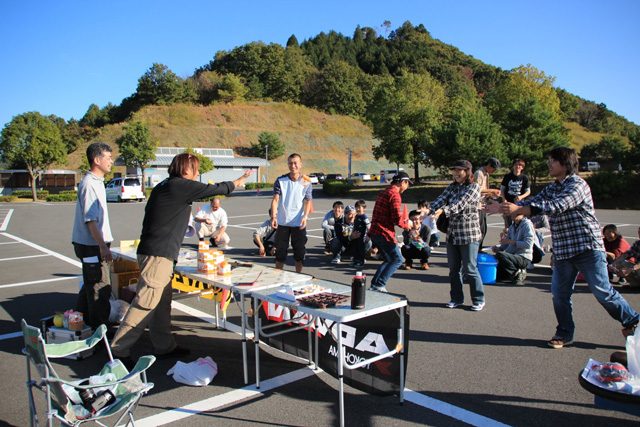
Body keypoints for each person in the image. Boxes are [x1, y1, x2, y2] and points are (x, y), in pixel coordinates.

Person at [486, 146, 639, 348]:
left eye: (552, 160)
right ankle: (564, 333)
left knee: (602, 291)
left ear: (565, 163)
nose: (548, 163)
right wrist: (502, 207)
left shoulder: (578, 185)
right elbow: (534, 201)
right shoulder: (552, 187)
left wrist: (520, 208)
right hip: (564, 251)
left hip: (587, 248)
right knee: (560, 294)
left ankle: (632, 320)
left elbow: (556, 206)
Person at [110, 153, 251, 368]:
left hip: (159, 253)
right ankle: (118, 350)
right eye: (196, 169)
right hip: (158, 255)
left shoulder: (165, 185)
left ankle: (164, 346)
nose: (198, 174)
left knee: (161, 302)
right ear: (186, 170)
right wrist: (238, 181)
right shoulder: (180, 185)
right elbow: (214, 190)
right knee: (145, 303)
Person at [427, 160, 485, 311]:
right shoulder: (452, 186)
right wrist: (429, 210)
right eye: (454, 170)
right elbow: (441, 199)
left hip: (469, 235)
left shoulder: (474, 187)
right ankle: (457, 299)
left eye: (459, 170)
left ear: (467, 172)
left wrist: (443, 211)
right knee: (454, 269)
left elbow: (460, 204)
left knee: (470, 269)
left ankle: (478, 299)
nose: (456, 173)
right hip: (453, 234)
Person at [71, 142, 114, 331]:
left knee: (90, 284)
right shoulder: (89, 184)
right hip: (91, 246)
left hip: (93, 244)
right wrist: (102, 246)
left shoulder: (97, 182)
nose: (111, 161)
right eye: (108, 157)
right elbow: (90, 220)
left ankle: (78, 322)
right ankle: (100, 332)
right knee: (100, 288)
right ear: (97, 160)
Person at [367, 172, 412, 292]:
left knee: (389, 259)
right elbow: (397, 218)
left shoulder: (385, 191)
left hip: (375, 231)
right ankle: (379, 284)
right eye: (407, 183)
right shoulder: (395, 195)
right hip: (384, 233)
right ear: (403, 182)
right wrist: (406, 226)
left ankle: (375, 285)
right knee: (397, 259)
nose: (407, 187)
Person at [271, 153, 312, 273]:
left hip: (298, 223)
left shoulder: (305, 181)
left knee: (299, 252)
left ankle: (298, 275)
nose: (293, 166)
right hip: (283, 222)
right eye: (290, 163)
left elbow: (307, 201)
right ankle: (278, 277)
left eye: (295, 163)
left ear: (300, 164)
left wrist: (305, 216)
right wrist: (273, 217)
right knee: (280, 252)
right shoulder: (281, 180)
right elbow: (275, 200)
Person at [491, 214, 535, 283]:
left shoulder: (527, 225)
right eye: (513, 213)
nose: (513, 215)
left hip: (523, 257)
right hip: (512, 255)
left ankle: (517, 272)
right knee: (495, 275)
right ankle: (510, 274)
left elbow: (528, 244)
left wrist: (512, 242)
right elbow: (506, 243)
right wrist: (499, 248)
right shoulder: (512, 226)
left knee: (501, 255)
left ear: (522, 214)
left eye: (516, 214)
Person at [474, 157, 501, 251]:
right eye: (493, 168)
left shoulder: (486, 174)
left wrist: (491, 194)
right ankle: (477, 249)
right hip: (477, 205)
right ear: (489, 165)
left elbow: (484, 191)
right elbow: (477, 189)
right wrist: (493, 190)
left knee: (484, 229)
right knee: (480, 229)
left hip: (483, 204)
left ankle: (479, 248)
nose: (494, 171)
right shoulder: (479, 173)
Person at [500, 158, 531, 227]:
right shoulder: (507, 177)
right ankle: (508, 233)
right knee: (508, 224)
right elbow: (502, 190)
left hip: (519, 204)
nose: (517, 166)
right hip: (508, 203)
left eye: (519, 165)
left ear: (522, 167)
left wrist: (521, 197)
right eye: (516, 165)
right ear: (513, 166)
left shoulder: (524, 178)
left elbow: (528, 191)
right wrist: (504, 199)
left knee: (518, 222)